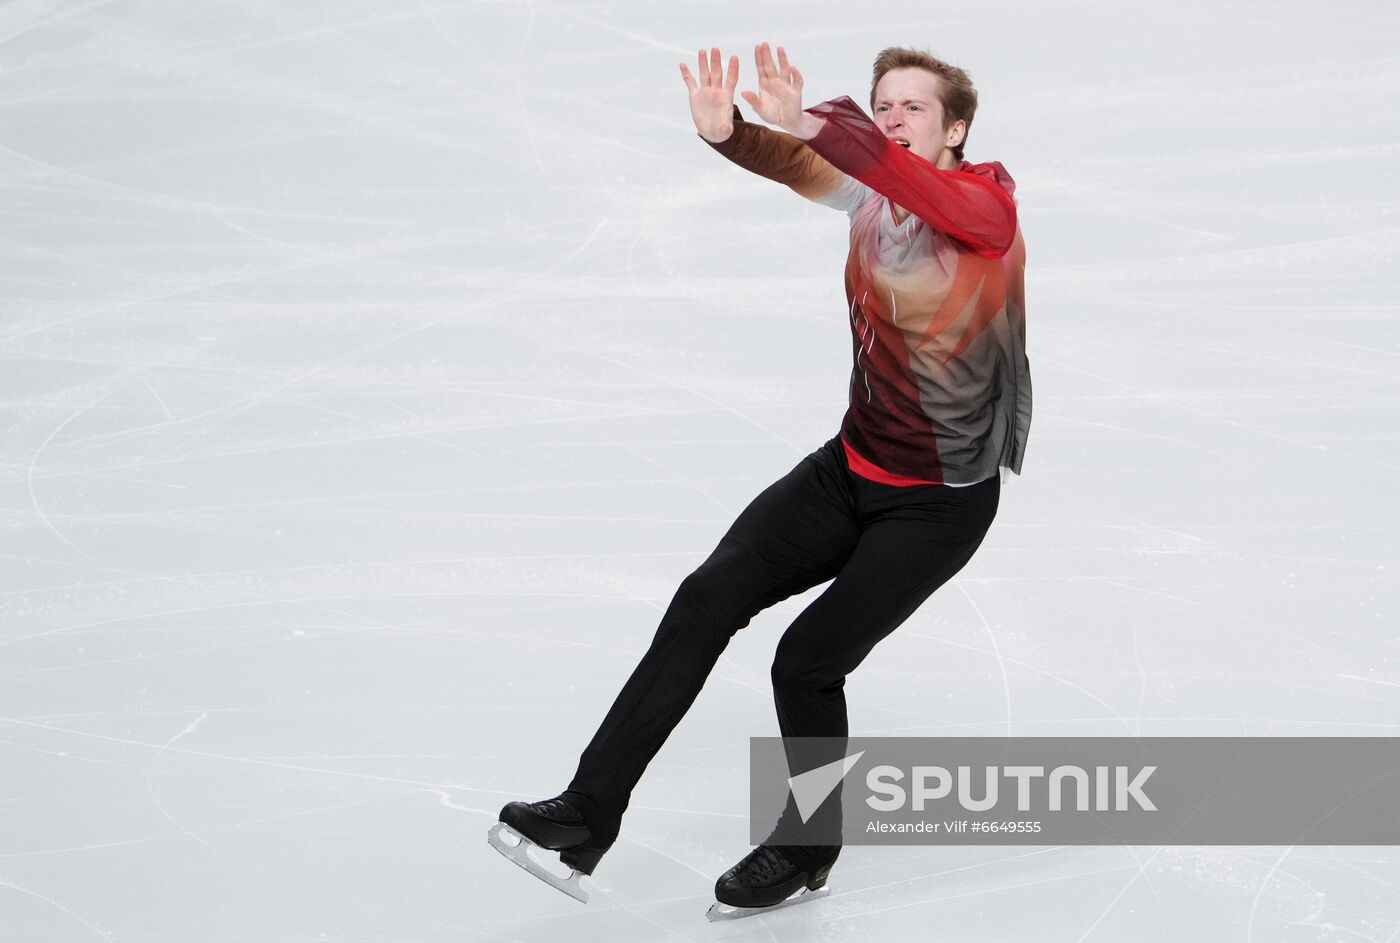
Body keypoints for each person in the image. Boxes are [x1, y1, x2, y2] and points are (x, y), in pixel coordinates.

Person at [491, 41, 1030, 913]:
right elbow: (804, 166)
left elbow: (898, 178)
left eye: (913, 107)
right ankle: (587, 814)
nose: (892, 117)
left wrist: (825, 122)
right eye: (881, 104)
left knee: (806, 662)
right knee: (707, 598)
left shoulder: (984, 206)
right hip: (848, 467)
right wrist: (731, 132)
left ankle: (809, 846)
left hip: (937, 506)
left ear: (957, 127)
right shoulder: (877, 198)